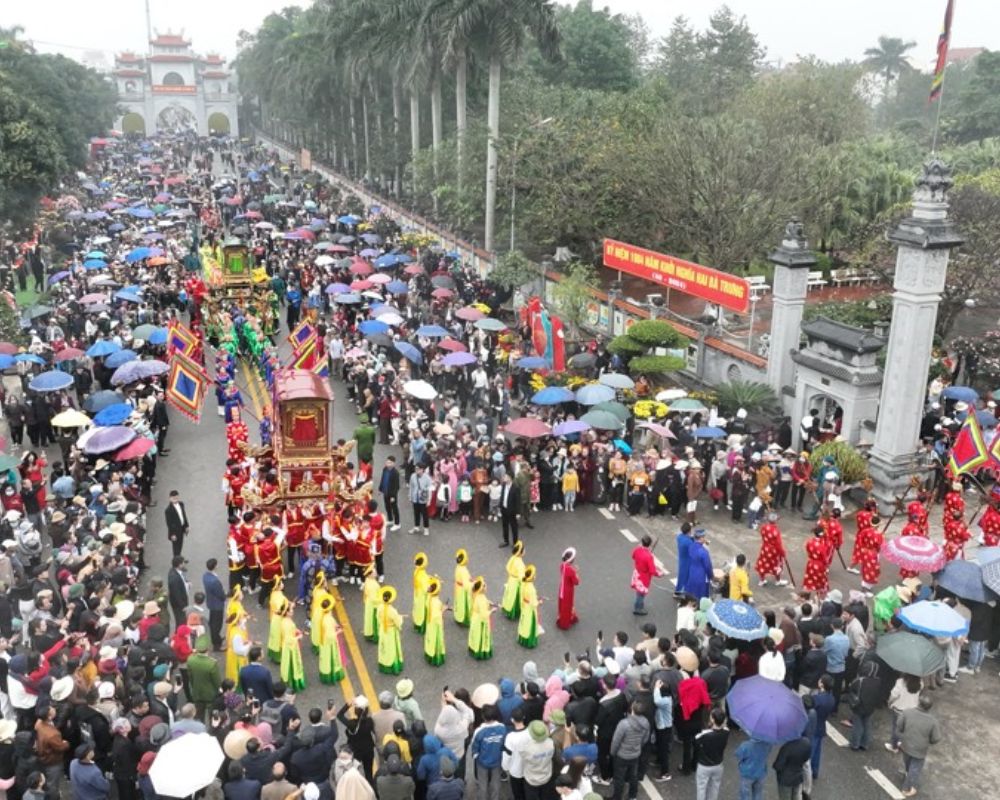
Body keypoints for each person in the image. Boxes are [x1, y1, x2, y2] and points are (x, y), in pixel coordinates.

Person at [896, 693, 941, 797]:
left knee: (907, 762)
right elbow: (936, 738)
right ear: (930, 707)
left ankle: (907, 774)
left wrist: (902, 736)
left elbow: (899, 726)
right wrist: (929, 741)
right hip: (920, 749)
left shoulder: (907, 712)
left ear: (919, 703)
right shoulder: (932, 721)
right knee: (915, 769)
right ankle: (906, 788)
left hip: (906, 744)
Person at [610, 700, 650, 800]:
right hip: (635, 754)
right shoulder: (646, 722)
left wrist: (613, 752)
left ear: (632, 709)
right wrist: (637, 747)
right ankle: (632, 796)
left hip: (622, 755)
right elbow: (645, 738)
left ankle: (617, 797)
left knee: (619, 778)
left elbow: (616, 741)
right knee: (633, 776)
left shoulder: (624, 724)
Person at [470, 704, 506, 800]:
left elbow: (474, 746)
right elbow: (504, 743)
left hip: (482, 762)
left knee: (482, 784)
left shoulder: (479, 731)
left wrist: (476, 756)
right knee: (496, 783)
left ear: (483, 717)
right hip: (497, 760)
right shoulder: (502, 728)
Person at [694, 708, 729, 800]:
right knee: (714, 788)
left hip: (704, 766)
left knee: (701, 788)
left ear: (713, 719)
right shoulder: (726, 732)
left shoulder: (705, 734)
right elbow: (724, 727)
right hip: (718, 765)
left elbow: (696, 740)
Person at [630, 535, 664, 616]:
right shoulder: (649, 556)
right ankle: (638, 608)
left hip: (637, 573)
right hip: (644, 578)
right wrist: (660, 574)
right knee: (641, 594)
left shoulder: (637, 550)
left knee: (638, 592)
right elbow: (652, 571)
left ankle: (638, 605)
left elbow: (633, 556)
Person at [278, 600, 306, 692]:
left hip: (290, 646)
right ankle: (293, 683)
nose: (292, 611)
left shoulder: (286, 620)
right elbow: (288, 639)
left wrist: (296, 631)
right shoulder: (286, 623)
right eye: (290, 610)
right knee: (292, 664)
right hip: (290, 648)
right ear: (286, 612)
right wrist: (298, 637)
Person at [772, 736, 810, 800]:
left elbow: (778, 766)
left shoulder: (786, 747)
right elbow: (806, 759)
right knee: (796, 796)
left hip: (785, 780)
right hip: (798, 778)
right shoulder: (806, 743)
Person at [318, 596, 346, 684]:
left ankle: (326, 674)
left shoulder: (323, 616)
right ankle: (332, 675)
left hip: (323, 642)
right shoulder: (328, 619)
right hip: (329, 643)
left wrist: (337, 626)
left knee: (325, 659)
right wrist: (338, 632)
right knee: (332, 658)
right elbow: (330, 635)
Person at [377, 587, 405, 674]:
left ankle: (384, 663)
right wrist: (401, 617)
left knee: (384, 647)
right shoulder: (392, 611)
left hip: (383, 629)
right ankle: (393, 666)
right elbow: (398, 622)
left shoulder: (380, 607)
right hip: (391, 631)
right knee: (392, 648)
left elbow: (378, 618)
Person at [203, 558, 227, 650]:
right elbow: (220, 595)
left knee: (213, 622)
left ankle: (217, 639)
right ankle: (217, 645)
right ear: (215, 566)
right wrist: (224, 595)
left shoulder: (205, 576)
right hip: (217, 605)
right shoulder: (215, 581)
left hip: (211, 603)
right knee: (217, 625)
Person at [468, 577, 494, 660]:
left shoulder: (477, 595)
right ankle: (480, 651)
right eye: (484, 586)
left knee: (475, 634)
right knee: (480, 635)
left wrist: (489, 603)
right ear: (481, 589)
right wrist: (492, 611)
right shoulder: (481, 598)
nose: (486, 587)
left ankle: (473, 647)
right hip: (480, 620)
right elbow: (484, 614)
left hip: (475, 618)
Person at [423, 578, 446, 666]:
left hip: (429, 623)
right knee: (436, 639)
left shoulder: (429, 598)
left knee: (429, 638)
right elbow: (437, 616)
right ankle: (436, 657)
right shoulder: (437, 602)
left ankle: (428, 653)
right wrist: (443, 609)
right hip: (435, 624)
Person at [517, 566, 541, 649]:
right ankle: (529, 642)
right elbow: (534, 603)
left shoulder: (524, 584)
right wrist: (539, 602)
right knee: (530, 624)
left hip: (525, 606)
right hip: (530, 608)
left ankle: (522, 639)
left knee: (524, 623)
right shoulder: (531, 588)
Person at [501, 542, 526, 620]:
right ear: (520, 552)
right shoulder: (520, 563)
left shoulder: (513, 557)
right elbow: (521, 576)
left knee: (509, 595)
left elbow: (507, 567)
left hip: (511, 579)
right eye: (524, 550)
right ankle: (513, 613)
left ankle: (506, 608)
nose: (525, 551)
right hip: (516, 582)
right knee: (515, 597)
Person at [557, 547, 580, 630]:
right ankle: (565, 623)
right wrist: (576, 572)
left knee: (562, 604)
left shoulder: (562, 565)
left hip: (562, 587)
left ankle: (561, 617)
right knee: (567, 605)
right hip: (568, 590)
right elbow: (576, 582)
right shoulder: (571, 570)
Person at [164, 490, 189, 557]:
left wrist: (186, 526)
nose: (175, 499)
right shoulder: (168, 510)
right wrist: (172, 534)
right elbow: (169, 524)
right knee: (176, 548)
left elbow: (184, 515)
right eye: (174, 498)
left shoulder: (181, 504)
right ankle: (176, 562)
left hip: (182, 528)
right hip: (175, 532)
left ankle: (179, 559)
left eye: (177, 498)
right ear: (170, 498)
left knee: (180, 545)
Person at [409, 464, 432, 537]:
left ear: (422, 469)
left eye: (418, 469)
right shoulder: (413, 476)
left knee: (425, 514)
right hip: (415, 497)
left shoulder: (427, 478)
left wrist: (429, 500)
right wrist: (410, 496)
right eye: (415, 469)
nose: (416, 470)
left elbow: (430, 490)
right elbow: (411, 487)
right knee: (416, 513)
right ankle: (416, 527)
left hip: (423, 498)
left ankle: (426, 529)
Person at [499, 472, 521, 548]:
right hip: (504, 509)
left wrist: (518, 513)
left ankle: (515, 543)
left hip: (512, 511)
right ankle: (506, 541)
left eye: (505, 476)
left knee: (514, 527)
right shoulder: (504, 485)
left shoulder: (516, 487)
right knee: (504, 525)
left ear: (510, 478)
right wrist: (500, 506)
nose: (504, 477)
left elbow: (518, 501)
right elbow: (502, 496)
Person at [380, 456, 402, 532]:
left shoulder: (395, 473)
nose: (387, 463)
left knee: (394, 508)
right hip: (385, 491)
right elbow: (382, 479)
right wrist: (380, 489)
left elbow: (396, 486)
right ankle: (390, 520)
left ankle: (397, 523)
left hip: (392, 494)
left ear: (393, 464)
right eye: (387, 462)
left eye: (389, 462)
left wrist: (393, 496)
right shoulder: (385, 469)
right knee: (387, 506)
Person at [412, 553, 430, 633]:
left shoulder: (416, 571)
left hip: (417, 593)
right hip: (422, 595)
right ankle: (422, 627)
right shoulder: (422, 575)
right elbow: (426, 589)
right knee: (422, 610)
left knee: (417, 608)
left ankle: (416, 623)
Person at [453, 549, 472, 627]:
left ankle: (457, 617)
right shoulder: (463, 570)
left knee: (458, 602)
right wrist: (473, 585)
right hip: (462, 589)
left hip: (458, 587)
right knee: (463, 603)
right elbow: (466, 584)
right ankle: (463, 619)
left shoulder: (458, 567)